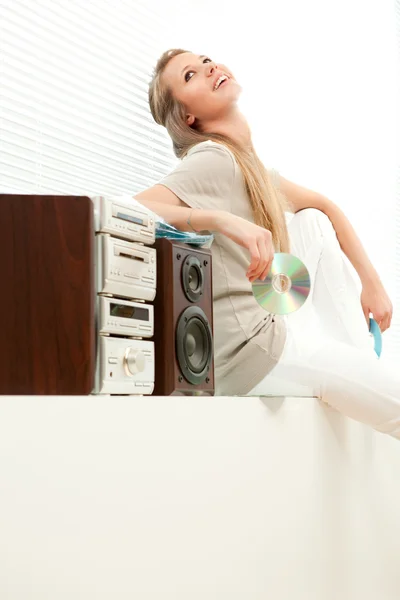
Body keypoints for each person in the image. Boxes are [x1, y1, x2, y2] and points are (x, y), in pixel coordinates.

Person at [134, 48, 400, 441]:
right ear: (188, 117)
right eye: (190, 75)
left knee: (311, 220)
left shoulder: (249, 167)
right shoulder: (213, 158)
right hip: (251, 354)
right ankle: (356, 362)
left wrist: (371, 282)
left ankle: (356, 354)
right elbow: (132, 207)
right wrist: (221, 219)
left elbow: (325, 204)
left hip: (271, 322)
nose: (208, 67)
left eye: (206, 60)